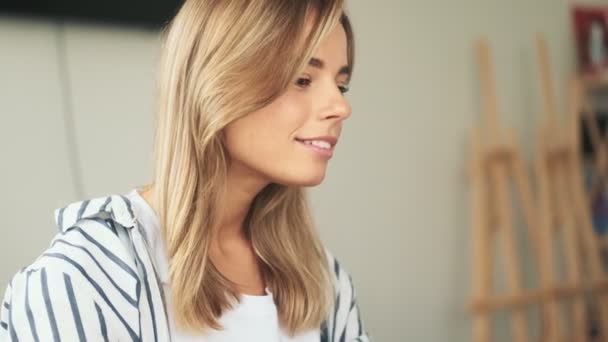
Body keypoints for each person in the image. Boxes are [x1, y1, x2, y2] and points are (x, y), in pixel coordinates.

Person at [0, 0, 370, 340]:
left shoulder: (322, 280)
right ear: (216, 84)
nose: (340, 107)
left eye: (342, 85)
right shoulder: (83, 279)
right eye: (302, 80)